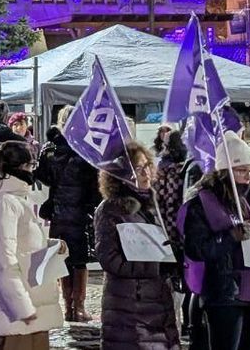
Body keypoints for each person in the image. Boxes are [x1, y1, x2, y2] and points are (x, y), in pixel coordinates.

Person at [179, 131, 250, 350]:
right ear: (224, 171)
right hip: (223, 292)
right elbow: (196, 249)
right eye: (241, 170)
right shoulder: (202, 203)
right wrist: (230, 237)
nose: (247, 176)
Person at [0, 141, 63, 349]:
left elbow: (23, 246)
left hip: (29, 305)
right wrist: (21, 306)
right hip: (21, 310)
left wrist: (52, 246)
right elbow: (1, 260)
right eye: (32, 165)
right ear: (21, 168)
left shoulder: (12, 200)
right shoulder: (5, 203)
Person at [93, 141, 180, 349]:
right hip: (129, 307)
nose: (146, 173)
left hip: (158, 305)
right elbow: (110, 259)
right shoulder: (111, 210)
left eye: (147, 166)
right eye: (138, 169)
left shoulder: (153, 206)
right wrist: (155, 266)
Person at [35, 112, 100, 323]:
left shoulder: (50, 148)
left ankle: (68, 306)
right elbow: (95, 182)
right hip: (80, 212)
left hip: (58, 211)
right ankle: (78, 306)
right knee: (79, 261)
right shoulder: (86, 149)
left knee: (63, 258)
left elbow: (42, 176)